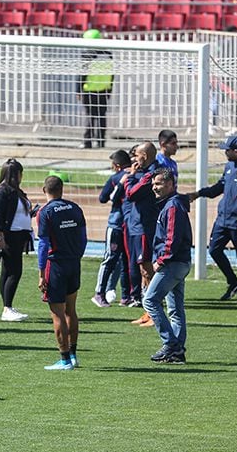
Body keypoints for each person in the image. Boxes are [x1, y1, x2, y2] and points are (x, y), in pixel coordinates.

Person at [187, 135, 237, 305]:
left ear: (236, 151)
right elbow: (219, 187)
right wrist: (199, 193)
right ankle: (233, 282)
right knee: (214, 250)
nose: (225, 152)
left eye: (227, 150)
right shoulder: (229, 165)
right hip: (223, 219)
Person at [37, 176, 87, 370]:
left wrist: (42, 273)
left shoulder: (45, 212)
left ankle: (64, 359)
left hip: (55, 265)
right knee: (71, 310)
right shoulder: (75, 208)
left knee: (57, 313)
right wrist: (77, 256)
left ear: (44, 190)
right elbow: (83, 237)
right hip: (74, 263)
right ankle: (73, 355)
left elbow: (43, 244)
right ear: (62, 189)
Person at [143, 169, 192, 364]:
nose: (154, 187)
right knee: (175, 309)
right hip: (181, 262)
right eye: (154, 184)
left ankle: (170, 343)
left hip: (172, 263)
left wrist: (161, 260)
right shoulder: (173, 204)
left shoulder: (172, 207)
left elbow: (172, 238)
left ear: (171, 184)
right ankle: (177, 352)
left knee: (150, 301)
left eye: (159, 184)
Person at [122, 142, 159, 326]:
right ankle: (148, 311)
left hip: (145, 227)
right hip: (137, 225)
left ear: (144, 155)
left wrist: (130, 176)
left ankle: (154, 312)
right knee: (143, 270)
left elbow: (131, 193)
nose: (134, 159)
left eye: (136, 155)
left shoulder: (151, 174)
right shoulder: (144, 172)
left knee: (147, 269)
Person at [0, 158, 33, 322]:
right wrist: (0, 236)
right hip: (10, 236)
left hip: (19, 235)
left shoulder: (16, 191)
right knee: (14, 271)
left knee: (8, 271)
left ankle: (7, 306)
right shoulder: (3, 191)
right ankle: (7, 308)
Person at [92, 150, 132, 308]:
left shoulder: (115, 178)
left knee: (112, 259)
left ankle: (101, 293)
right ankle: (124, 295)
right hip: (128, 225)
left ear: (116, 166)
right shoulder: (134, 176)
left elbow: (103, 198)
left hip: (116, 224)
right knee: (124, 260)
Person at [78, 28, 114, 149]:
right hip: (104, 90)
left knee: (90, 116)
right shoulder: (109, 55)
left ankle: (87, 141)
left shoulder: (87, 55)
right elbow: (112, 74)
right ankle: (101, 141)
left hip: (89, 89)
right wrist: (110, 89)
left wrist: (78, 90)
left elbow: (82, 75)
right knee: (101, 116)